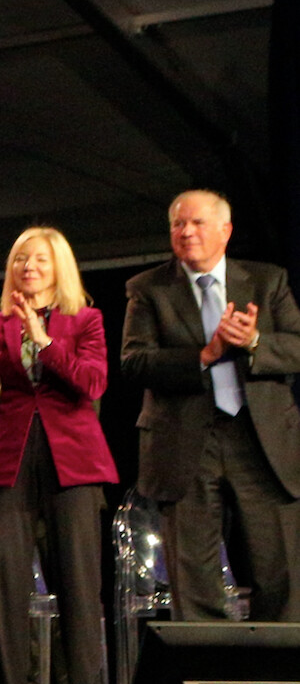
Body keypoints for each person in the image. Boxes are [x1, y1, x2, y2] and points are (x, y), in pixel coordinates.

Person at [119, 189, 300, 622]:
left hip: (261, 440)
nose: (186, 232)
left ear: (226, 230)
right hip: (185, 441)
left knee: (280, 570)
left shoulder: (267, 280)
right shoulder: (148, 289)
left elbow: (297, 347)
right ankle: (205, 663)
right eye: (178, 224)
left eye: (197, 222)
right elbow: (134, 362)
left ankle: (281, 662)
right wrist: (203, 355)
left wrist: (254, 342)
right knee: (193, 577)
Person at [0, 227, 113, 684]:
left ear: (58, 269)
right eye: (20, 259)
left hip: (73, 457)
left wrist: (46, 342)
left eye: (40, 260)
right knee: (5, 581)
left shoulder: (86, 320)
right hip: (11, 456)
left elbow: (92, 383)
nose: (28, 267)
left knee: (78, 580)